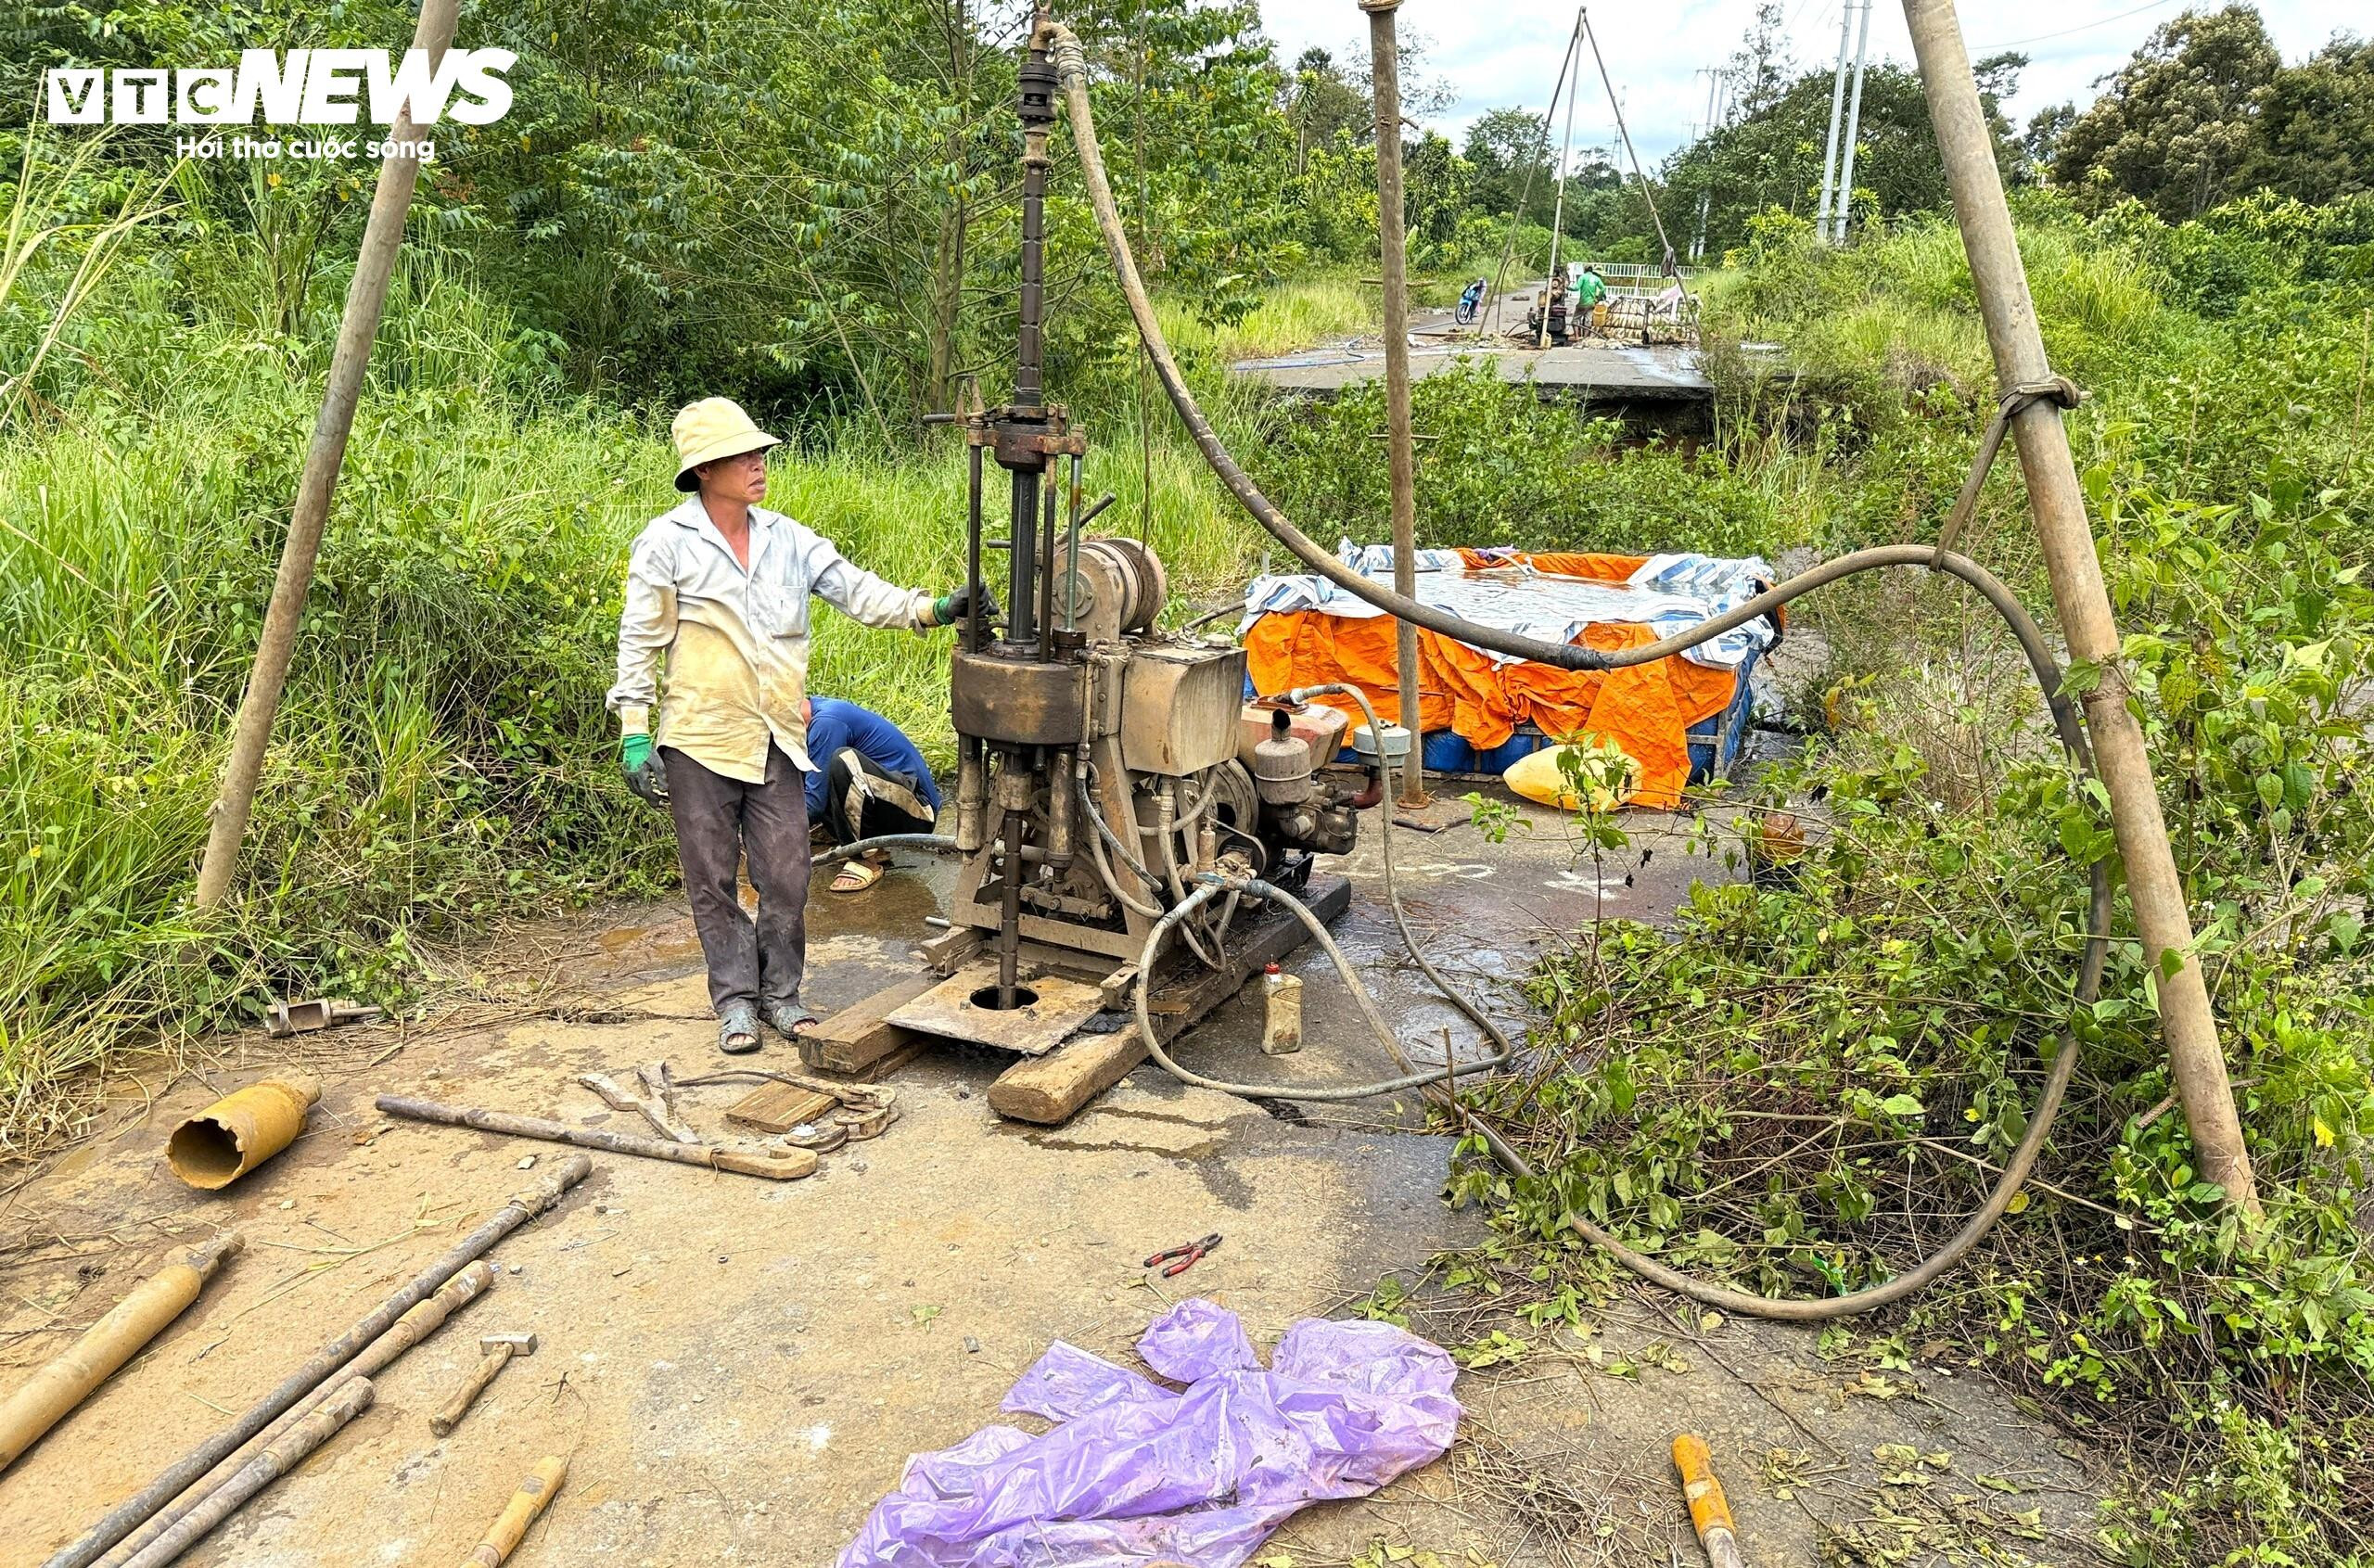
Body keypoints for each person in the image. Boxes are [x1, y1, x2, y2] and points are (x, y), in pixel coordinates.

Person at [607, 397, 988, 1055]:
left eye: (759, 452)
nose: (758, 463)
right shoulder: (667, 543)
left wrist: (936, 607)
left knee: (787, 875)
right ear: (703, 469)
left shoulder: (788, 538)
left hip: (778, 739)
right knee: (712, 880)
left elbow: (858, 591)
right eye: (743, 454)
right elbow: (639, 642)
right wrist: (635, 732)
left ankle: (781, 995)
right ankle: (735, 1003)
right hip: (699, 741)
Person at [802, 695, 942, 894]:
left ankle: (863, 859)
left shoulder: (827, 722)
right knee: (813, 769)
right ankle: (873, 846)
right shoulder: (816, 714)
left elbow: (813, 804)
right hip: (889, 801)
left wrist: (772, 833)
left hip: (919, 811)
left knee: (842, 761)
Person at [1573, 265, 1608, 336]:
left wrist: (1568, 287)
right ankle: (1585, 338)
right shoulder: (1596, 279)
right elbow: (1603, 288)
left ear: (1585, 270)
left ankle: (1576, 336)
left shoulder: (1583, 277)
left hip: (1583, 303)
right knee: (1588, 321)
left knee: (1575, 320)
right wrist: (1598, 299)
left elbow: (1576, 288)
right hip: (1592, 303)